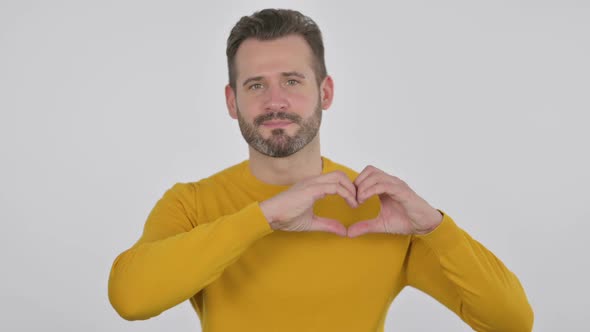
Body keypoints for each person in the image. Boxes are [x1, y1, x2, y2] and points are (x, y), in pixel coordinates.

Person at [108, 8, 534, 332]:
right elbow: (132, 298)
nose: (275, 101)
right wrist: (266, 216)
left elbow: (511, 321)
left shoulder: (378, 208)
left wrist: (436, 229)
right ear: (231, 101)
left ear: (325, 91)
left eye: (292, 81)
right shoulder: (193, 203)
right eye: (256, 85)